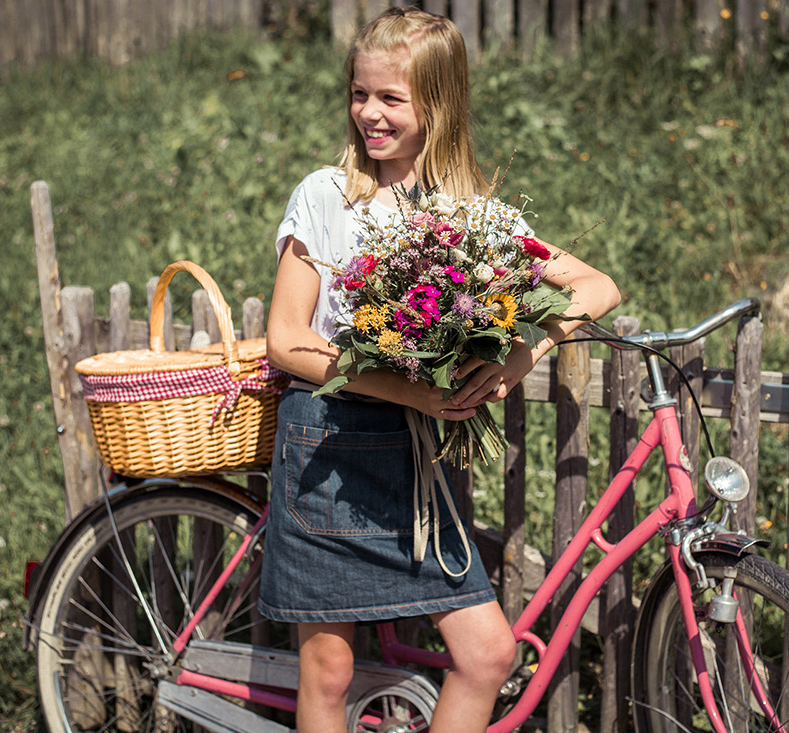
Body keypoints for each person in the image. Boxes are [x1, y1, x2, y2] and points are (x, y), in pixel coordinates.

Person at [261, 7, 621, 732]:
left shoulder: (473, 216)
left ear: (439, 103)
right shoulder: (328, 196)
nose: (370, 113)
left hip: (411, 465)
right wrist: (409, 388)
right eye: (360, 94)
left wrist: (517, 361)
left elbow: (597, 286)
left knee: (486, 654)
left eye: (391, 99)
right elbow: (286, 341)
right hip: (326, 449)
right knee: (330, 673)